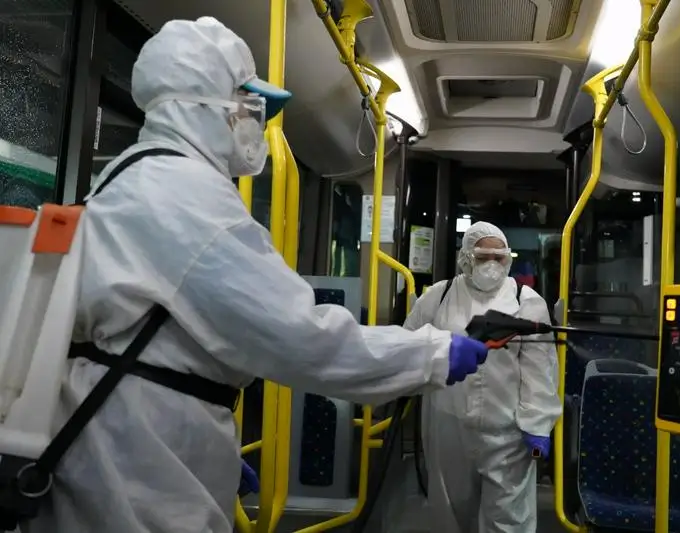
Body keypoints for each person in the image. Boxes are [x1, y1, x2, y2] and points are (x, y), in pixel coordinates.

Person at [19, 17, 488, 533]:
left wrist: (203, 436)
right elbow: (300, 337)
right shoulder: (185, 197)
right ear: (203, 105)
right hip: (138, 460)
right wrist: (431, 354)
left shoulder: (133, 174)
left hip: (135, 433)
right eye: (249, 107)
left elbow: (160, 338)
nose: (257, 124)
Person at [404, 221, 562, 533]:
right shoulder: (438, 297)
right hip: (448, 425)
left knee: (508, 518)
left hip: (507, 432)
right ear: (465, 258)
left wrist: (537, 423)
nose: (492, 264)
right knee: (451, 512)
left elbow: (539, 370)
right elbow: (407, 348)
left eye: (499, 257)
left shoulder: (526, 301)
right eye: (482, 257)